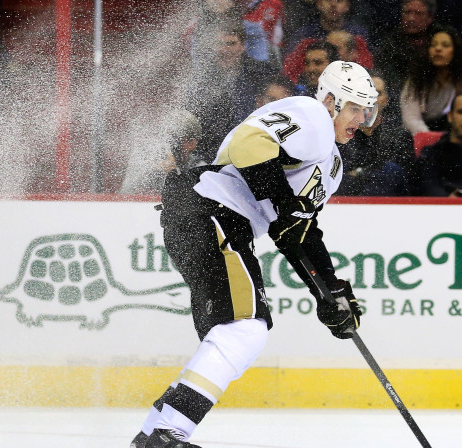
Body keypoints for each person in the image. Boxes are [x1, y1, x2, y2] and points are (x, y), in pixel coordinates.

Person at [130, 60, 374, 448]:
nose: (362, 118)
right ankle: (165, 434)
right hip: (210, 211)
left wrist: (330, 293)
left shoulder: (332, 163)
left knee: (234, 338)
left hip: (214, 220)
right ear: (330, 100)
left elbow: (298, 231)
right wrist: (282, 200)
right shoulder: (311, 114)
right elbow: (248, 144)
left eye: (368, 110)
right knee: (244, 328)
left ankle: (153, 433)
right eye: (356, 107)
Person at [186, 22, 276, 163]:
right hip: (213, 153)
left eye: (230, 44)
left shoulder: (261, 73)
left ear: (243, 46)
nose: (224, 50)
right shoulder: (201, 79)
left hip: (257, 145)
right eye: (219, 44)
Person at [340, 72, 415, 195]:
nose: (370, 98)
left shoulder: (400, 136)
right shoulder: (341, 135)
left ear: (386, 100)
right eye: (365, 92)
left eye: (377, 94)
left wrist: (358, 173)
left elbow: (404, 179)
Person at [400, 23, 462, 134]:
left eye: (445, 45)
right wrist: (432, 140)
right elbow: (411, 118)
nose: (438, 49)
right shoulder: (416, 80)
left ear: (455, 52)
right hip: (420, 136)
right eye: (433, 45)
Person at [119, 110, 203, 195]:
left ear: (192, 143)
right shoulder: (150, 159)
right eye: (169, 138)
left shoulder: (199, 166)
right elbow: (126, 192)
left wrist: (174, 173)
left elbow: (198, 199)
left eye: (176, 139)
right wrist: (154, 171)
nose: (171, 144)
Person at [374, 0, 435, 97]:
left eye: (418, 13)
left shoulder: (439, 41)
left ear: (430, 18)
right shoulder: (389, 46)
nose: (411, 18)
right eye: (407, 12)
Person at [283, 0, 368, 56]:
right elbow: (290, 67)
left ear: (347, 6)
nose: (333, 4)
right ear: (319, 4)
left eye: (339, 1)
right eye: (328, 0)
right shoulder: (303, 34)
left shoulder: (358, 34)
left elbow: (368, 66)